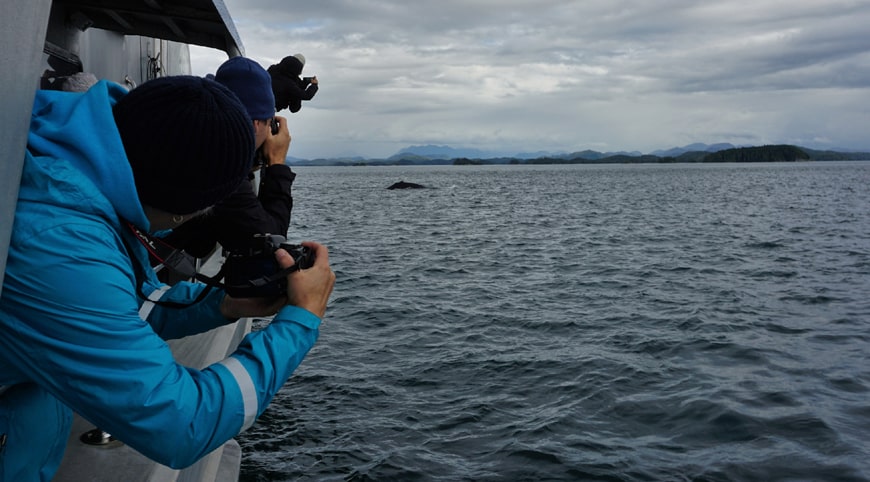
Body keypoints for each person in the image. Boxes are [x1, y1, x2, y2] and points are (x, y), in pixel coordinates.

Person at [0, 75, 335, 480]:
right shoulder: (60, 247)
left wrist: (225, 304)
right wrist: (301, 321)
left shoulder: (70, 170)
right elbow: (181, 425)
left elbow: (121, 310)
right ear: (182, 211)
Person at [161, 56, 296, 259]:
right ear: (255, 125)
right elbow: (270, 240)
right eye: (270, 123)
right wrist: (276, 164)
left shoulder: (193, 143)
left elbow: (200, 244)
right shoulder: (219, 165)